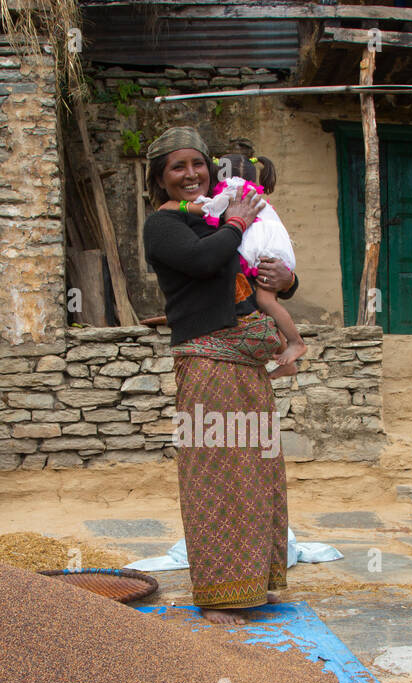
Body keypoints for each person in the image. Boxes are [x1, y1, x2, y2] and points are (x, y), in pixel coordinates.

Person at [141, 126, 300, 625]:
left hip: (246, 367)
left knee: (258, 472)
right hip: (208, 364)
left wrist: (287, 280)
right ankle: (219, 596)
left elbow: (259, 273)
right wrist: (234, 224)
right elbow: (204, 262)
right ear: (160, 178)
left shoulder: (220, 217)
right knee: (216, 475)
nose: (191, 174)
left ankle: (256, 583)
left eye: (197, 164)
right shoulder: (164, 226)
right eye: (177, 167)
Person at [161, 153, 306, 375]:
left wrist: (175, 205)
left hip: (263, 252)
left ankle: (296, 342)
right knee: (265, 304)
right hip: (269, 249)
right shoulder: (253, 195)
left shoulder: (231, 192)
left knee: (265, 301)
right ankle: (289, 360)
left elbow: (208, 209)